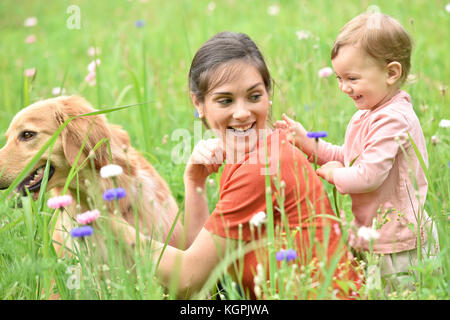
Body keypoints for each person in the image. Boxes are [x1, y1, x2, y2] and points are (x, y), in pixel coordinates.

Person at [115, 31, 360, 299]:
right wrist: (194, 182)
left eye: (254, 96)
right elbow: (204, 263)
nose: (242, 113)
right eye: (226, 100)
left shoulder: (262, 168)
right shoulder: (254, 152)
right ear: (198, 103)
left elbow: (187, 280)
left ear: (268, 94)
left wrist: (113, 227)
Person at [275, 13, 437, 290]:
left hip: (399, 244)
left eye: (352, 78)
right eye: (339, 77)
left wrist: (336, 175)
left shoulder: (392, 119)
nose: (343, 87)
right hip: (375, 235)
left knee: (401, 293)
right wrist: (308, 143)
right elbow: (349, 157)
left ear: (391, 73)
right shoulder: (369, 113)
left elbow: (367, 176)